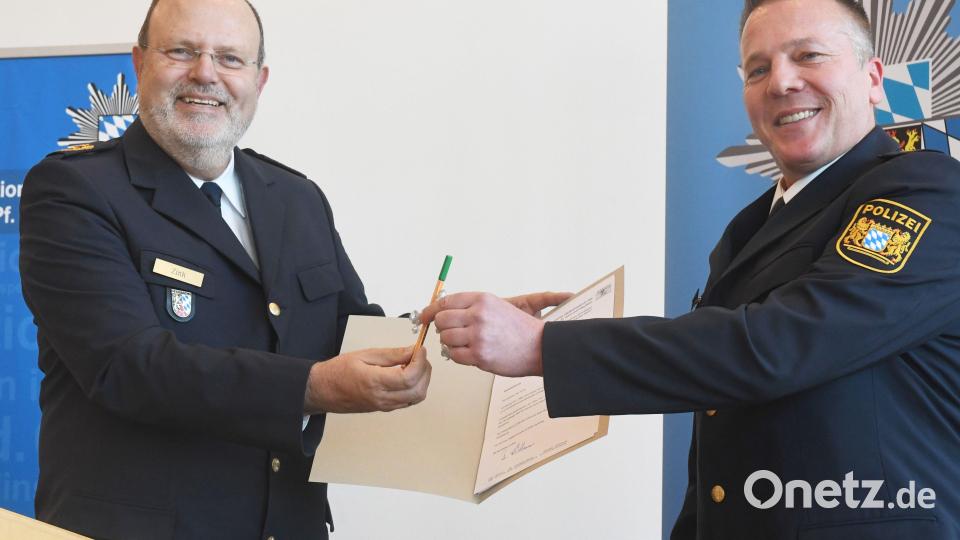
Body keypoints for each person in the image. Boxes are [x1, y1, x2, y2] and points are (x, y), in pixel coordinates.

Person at [420, 0, 960, 538]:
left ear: (872, 78)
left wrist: (542, 346)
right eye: (758, 69)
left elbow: (780, 344)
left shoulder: (925, 190)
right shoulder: (749, 228)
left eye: (809, 55)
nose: (782, 82)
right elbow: (721, 428)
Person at [19, 0, 431, 538]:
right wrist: (311, 386)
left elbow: (349, 339)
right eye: (182, 51)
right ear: (140, 64)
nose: (206, 73)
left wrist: (445, 332)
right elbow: (129, 367)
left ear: (259, 81)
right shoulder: (75, 192)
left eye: (230, 59)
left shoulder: (296, 198)